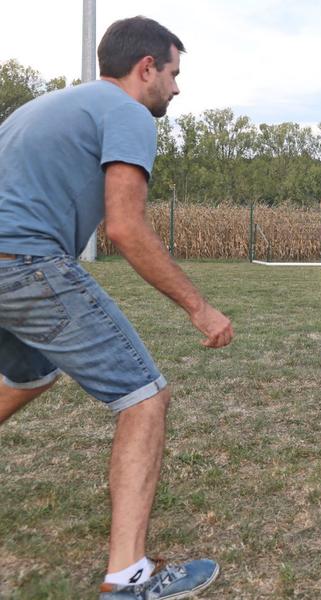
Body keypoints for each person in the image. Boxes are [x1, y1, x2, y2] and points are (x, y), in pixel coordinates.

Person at [0, 16, 233, 599]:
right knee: (145, 399)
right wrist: (200, 308)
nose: (176, 88)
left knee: (28, 377)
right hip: (26, 264)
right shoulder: (127, 112)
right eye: (173, 74)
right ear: (146, 67)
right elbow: (126, 228)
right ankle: (128, 577)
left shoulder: (45, 106)